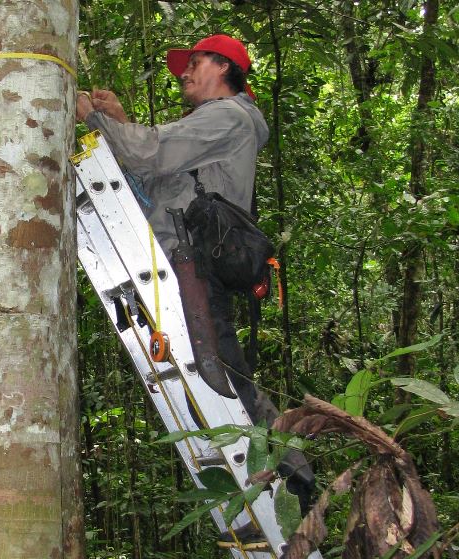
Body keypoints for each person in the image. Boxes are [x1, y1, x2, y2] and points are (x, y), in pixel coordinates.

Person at [76, 35, 315, 545]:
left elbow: (154, 153)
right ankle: (289, 480)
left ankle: (293, 485)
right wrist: (118, 120)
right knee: (219, 368)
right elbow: (161, 183)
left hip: (195, 265)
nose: (184, 73)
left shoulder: (229, 116)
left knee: (219, 373)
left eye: (195, 63)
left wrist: (97, 121)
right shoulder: (213, 123)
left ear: (226, 67)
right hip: (186, 260)